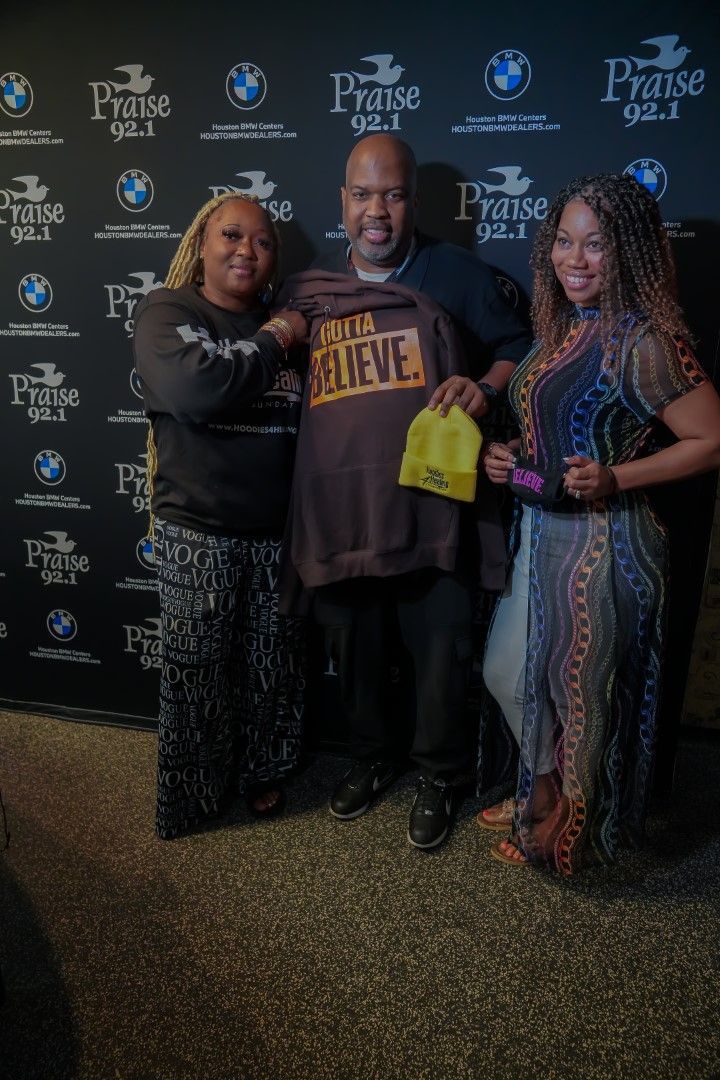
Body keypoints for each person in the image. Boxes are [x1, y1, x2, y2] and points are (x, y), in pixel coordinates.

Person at [282, 134, 530, 849]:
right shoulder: (310, 285)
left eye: (392, 194)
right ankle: (370, 758)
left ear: (414, 201)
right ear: (343, 201)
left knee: (437, 654)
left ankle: (439, 775)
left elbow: (519, 343)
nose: (377, 212)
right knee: (355, 651)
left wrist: (484, 389)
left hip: (431, 508)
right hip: (344, 514)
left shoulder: (457, 274)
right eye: (363, 195)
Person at [480, 173, 720, 873]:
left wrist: (620, 476)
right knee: (508, 671)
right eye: (564, 242)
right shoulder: (561, 329)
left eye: (596, 247)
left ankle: (569, 830)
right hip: (541, 532)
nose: (574, 260)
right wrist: (512, 462)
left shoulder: (645, 343)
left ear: (633, 255)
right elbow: (551, 446)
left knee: (581, 700)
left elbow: (711, 439)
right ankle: (544, 786)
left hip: (604, 544)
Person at [133, 192, 308, 840]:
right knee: (196, 671)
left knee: (273, 667)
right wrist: (277, 336)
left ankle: (263, 772)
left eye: (262, 242)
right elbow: (196, 390)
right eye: (231, 235)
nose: (246, 250)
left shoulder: (289, 328)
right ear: (202, 242)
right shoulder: (168, 310)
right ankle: (193, 792)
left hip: (277, 532)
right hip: (196, 529)